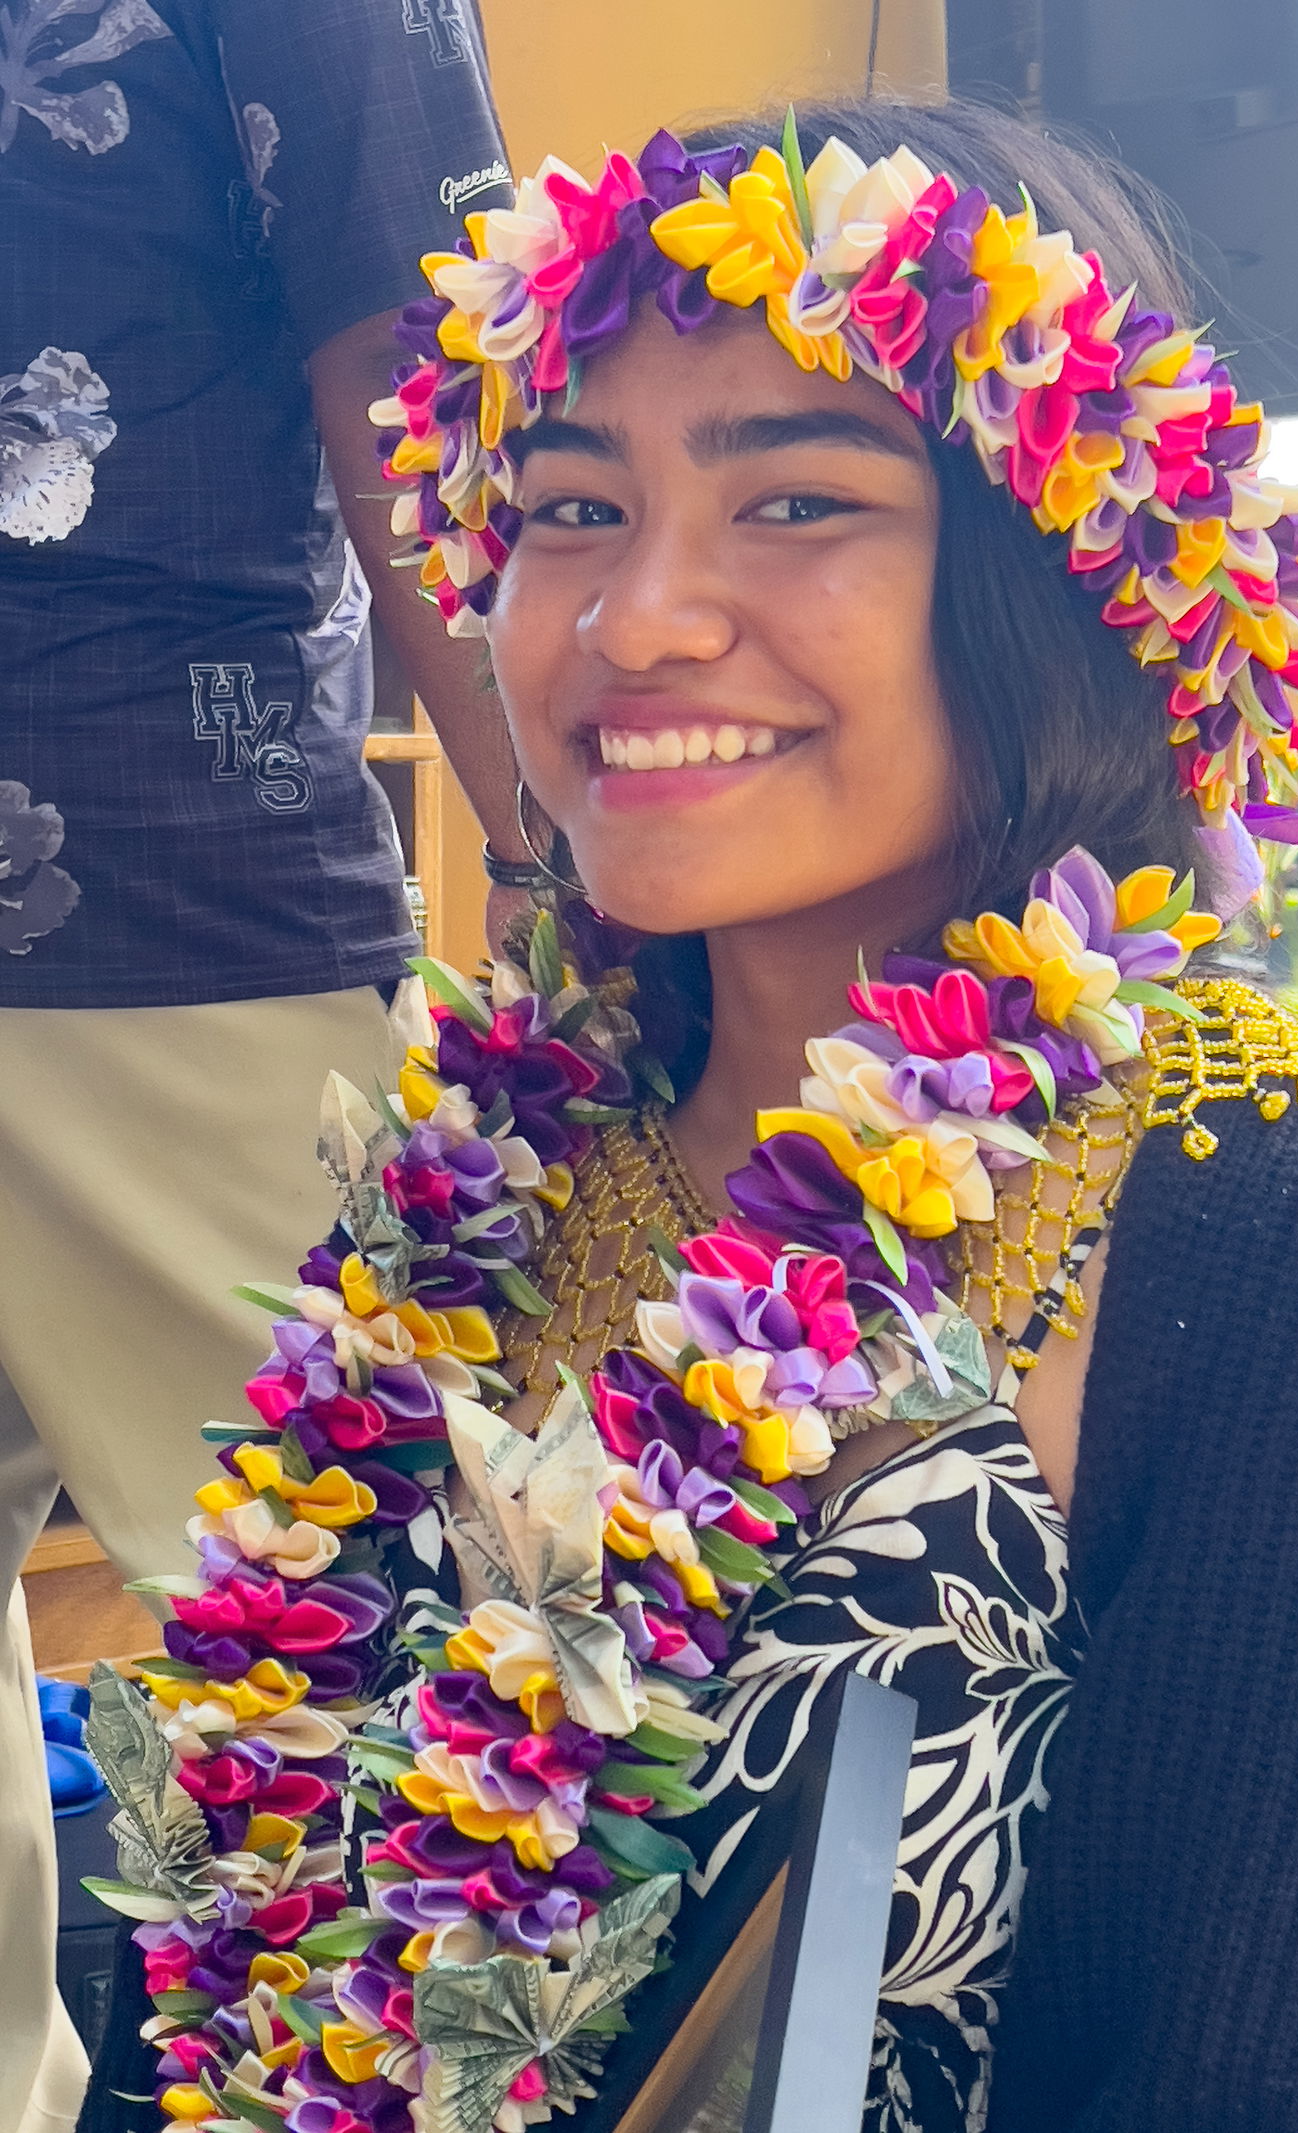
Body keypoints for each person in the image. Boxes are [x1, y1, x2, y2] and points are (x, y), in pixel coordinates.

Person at [95, 99, 1298, 2133]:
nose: (636, 622)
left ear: (1066, 566)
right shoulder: (472, 1200)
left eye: (793, 501)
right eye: (563, 508)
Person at [0, 1, 535, 2117]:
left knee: (367, 1685)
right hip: (177, 899)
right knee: (407, 1696)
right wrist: (563, 855)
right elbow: (407, 363)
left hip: (169, 892)